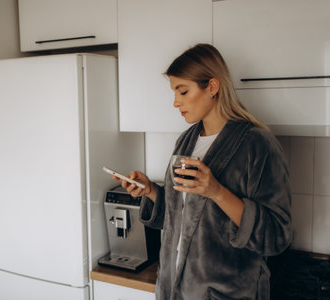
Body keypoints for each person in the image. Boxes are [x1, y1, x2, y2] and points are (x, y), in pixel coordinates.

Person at [113, 43, 292, 300]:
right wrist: (151, 191)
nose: (176, 102)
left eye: (183, 91)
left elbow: (276, 235)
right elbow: (182, 220)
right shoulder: (186, 141)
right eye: (174, 93)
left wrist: (217, 192)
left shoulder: (258, 145)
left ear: (212, 87)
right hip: (174, 290)